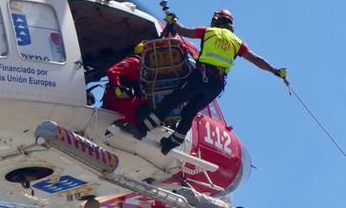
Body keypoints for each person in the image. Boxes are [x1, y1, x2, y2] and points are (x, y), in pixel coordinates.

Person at [117, 9, 289, 155]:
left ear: (216, 21)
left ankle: (141, 129)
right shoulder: (237, 43)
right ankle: (171, 143)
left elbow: (183, 31)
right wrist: (276, 71)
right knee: (190, 112)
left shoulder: (208, 31)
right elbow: (256, 60)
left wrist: (172, 20)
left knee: (171, 100)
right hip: (216, 85)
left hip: (201, 76)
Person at [102, 43, 150, 125]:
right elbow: (112, 71)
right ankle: (120, 124)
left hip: (122, 101)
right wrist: (117, 87)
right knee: (145, 108)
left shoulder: (143, 71)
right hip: (115, 99)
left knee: (147, 109)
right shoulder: (134, 61)